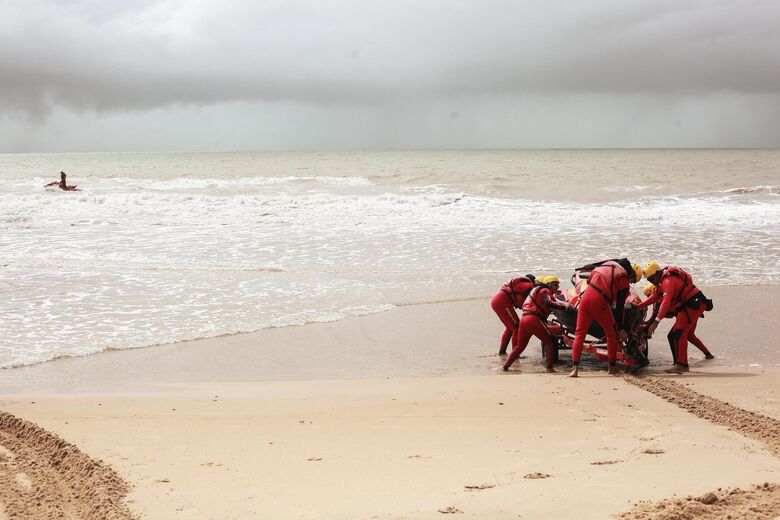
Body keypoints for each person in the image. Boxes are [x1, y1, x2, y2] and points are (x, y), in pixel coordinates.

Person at [568, 259, 642, 377]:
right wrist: (621, 328)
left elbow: (589, 281)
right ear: (629, 272)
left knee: (579, 334)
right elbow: (619, 307)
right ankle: (612, 367)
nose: (631, 283)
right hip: (599, 301)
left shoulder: (604, 266)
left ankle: (574, 369)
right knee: (611, 334)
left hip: (584, 299)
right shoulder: (623, 278)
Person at [643, 262, 713, 373]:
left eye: (651, 279)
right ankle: (680, 363)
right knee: (675, 335)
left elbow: (665, 303)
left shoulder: (667, 281)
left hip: (693, 304)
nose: (651, 281)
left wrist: (655, 323)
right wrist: (639, 305)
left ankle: (682, 365)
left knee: (680, 334)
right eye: (649, 280)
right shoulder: (661, 285)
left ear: (657, 273)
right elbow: (653, 298)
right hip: (689, 306)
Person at [504, 276, 571, 373]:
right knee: (550, 342)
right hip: (533, 319)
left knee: (519, 347)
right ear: (548, 284)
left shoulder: (536, 290)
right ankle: (550, 368)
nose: (557, 287)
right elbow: (548, 302)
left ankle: (506, 366)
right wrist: (564, 307)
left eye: (558, 284)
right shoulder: (545, 290)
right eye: (555, 284)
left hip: (524, 319)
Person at [491, 274, 536, 355]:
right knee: (516, 327)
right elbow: (530, 299)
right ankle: (515, 355)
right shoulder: (528, 285)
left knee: (510, 328)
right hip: (502, 302)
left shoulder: (520, 284)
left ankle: (502, 352)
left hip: (497, 301)